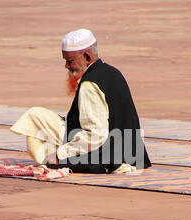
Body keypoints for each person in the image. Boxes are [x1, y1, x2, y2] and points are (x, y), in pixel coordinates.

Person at [10, 28, 151, 174]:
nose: (67, 66)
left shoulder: (89, 85)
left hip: (109, 156)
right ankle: (50, 157)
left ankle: (47, 160)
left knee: (35, 125)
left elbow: (95, 135)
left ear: (87, 57)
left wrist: (60, 155)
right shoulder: (112, 71)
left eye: (70, 61)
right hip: (130, 153)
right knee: (35, 115)